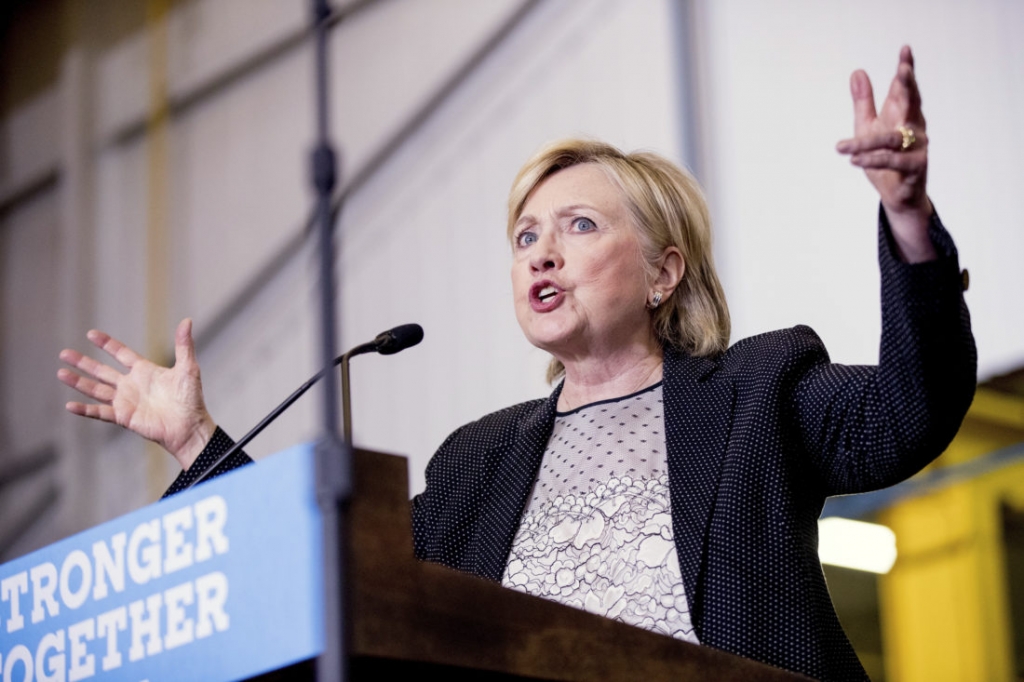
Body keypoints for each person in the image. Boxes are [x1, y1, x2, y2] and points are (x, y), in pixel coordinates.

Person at [58, 47, 975, 682]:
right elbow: (332, 578)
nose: (541, 253)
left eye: (578, 227)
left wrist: (906, 216)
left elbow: (909, 413)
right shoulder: (478, 463)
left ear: (665, 271)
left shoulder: (756, 393)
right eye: (525, 236)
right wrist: (194, 441)